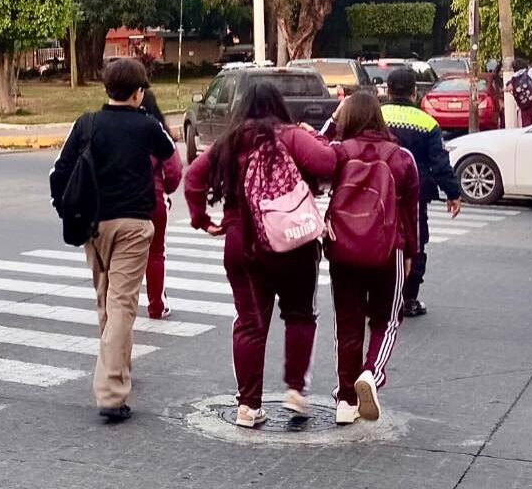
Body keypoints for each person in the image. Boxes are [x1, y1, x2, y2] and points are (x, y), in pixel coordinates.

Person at [184, 81, 336, 427]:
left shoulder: (230, 141)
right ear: (279, 105)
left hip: (243, 242)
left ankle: (248, 407)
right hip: (294, 241)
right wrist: (318, 137)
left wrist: (201, 219)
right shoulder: (292, 136)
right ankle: (296, 391)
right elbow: (328, 163)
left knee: (251, 324)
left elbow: (193, 176)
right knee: (299, 315)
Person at [49, 58, 176, 423]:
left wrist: (65, 208)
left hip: (94, 226)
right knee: (121, 305)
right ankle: (111, 391)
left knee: (106, 302)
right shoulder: (147, 126)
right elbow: (170, 157)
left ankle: (119, 368)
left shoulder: (86, 123)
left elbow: (59, 172)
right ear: (139, 93)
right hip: (134, 226)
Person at [327, 92, 420, 424]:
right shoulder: (401, 158)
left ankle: (345, 400)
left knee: (347, 325)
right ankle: (371, 374)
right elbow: (412, 211)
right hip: (388, 248)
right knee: (386, 319)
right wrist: (412, 253)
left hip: (343, 251)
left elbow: (311, 158)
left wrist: (332, 122)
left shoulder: (337, 154)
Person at [381, 68, 462, 317]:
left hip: (379, 191)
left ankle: (382, 298)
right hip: (414, 195)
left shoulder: (377, 115)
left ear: (388, 90)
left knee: (381, 240)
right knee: (414, 243)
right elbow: (439, 163)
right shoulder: (427, 122)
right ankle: (408, 299)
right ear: (415, 92)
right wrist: (453, 193)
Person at [140, 90, 183, 320]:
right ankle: (156, 304)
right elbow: (174, 171)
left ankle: (112, 305)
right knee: (156, 253)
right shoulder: (159, 132)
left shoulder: (115, 128)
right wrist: (166, 190)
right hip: (154, 200)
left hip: (118, 202)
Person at [506, 59, 532, 126]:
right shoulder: (531, 70)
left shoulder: (513, 78)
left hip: (524, 108)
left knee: (527, 128)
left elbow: (508, 89)